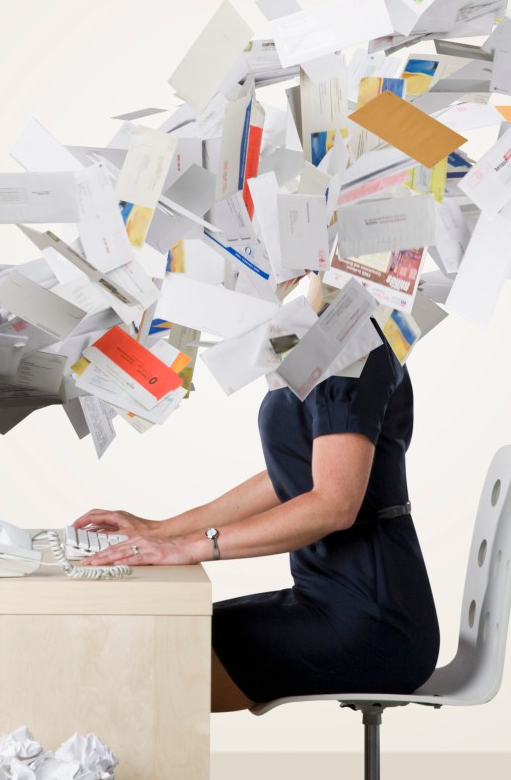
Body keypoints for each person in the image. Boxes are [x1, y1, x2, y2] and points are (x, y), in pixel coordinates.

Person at [73, 274, 441, 713]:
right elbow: (289, 475)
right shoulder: (312, 333)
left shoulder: (353, 339)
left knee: (148, 667)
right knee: (153, 637)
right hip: (324, 597)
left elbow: (333, 504)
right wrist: (160, 531)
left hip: (372, 619)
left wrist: (192, 548)